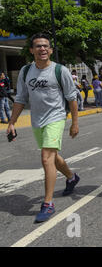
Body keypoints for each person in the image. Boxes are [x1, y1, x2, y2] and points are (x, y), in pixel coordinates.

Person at [6, 33, 80, 223]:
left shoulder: (60, 70)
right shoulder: (25, 71)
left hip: (55, 118)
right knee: (53, 158)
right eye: (38, 46)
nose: (42, 49)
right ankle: (71, 177)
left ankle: (48, 204)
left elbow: (72, 97)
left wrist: (74, 123)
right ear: (31, 50)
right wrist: (12, 122)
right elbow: (21, 99)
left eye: (46, 46)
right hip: (37, 120)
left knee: (46, 157)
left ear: (51, 50)